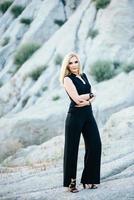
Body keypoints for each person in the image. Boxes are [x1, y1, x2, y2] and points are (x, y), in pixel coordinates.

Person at [59, 52, 102, 193]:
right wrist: (90, 96)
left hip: (88, 115)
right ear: (67, 65)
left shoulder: (83, 76)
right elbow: (77, 99)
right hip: (75, 117)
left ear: (79, 62)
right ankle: (70, 184)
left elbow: (89, 97)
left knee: (95, 144)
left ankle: (89, 180)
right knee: (72, 150)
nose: (73, 65)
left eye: (75, 62)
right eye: (70, 63)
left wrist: (88, 100)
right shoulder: (67, 79)